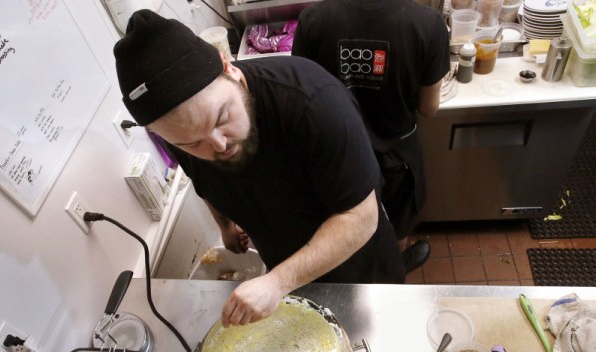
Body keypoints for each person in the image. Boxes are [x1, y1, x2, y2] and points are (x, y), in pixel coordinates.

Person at [113, 10, 405, 327]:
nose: (218, 145)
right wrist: (224, 224)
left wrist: (277, 282)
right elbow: (202, 177)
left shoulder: (314, 104)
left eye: (222, 118)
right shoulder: (182, 133)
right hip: (285, 264)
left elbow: (360, 219)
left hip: (357, 265)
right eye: (194, 143)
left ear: (229, 69)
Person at [292, 0, 451, 272]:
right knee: (397, 221)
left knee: (344, 215)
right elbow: (428, 107)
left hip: (337, 153)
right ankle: (396, 266)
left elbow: (303, 88)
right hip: (396, 154)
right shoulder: (427, 23)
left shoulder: (313, 19)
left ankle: (353, 271)